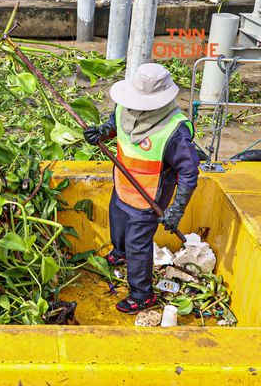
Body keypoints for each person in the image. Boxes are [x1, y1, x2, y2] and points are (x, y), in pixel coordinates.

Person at [84, 63, 200, 314]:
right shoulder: (124, 107)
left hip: (148, 202)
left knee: (139, 246)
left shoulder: (174, 131)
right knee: (117, 225)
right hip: (122, 188)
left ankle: (142, 294)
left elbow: (189, 174)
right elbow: (113, 124)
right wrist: (101, 133)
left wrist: (176, 210)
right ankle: (120, 252)